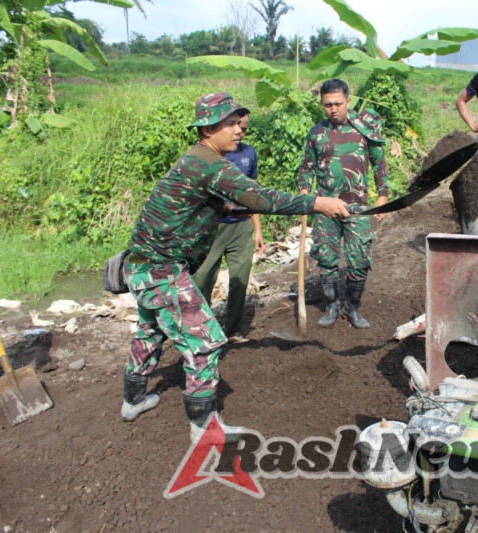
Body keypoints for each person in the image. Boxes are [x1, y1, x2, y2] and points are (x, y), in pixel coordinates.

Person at [120, 92, 349, 443]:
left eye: (238, 121)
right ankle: (204, 428)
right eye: (230, 123)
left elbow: (201, 205)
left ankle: (133, 399)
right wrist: (318, 202)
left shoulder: (197, 159)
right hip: (160, 270)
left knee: (151, 329)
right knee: (206, 342)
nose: (239, 129)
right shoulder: (210, 164)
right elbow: (261, 198)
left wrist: (226, 211)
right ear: (208, 129)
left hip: (143, 264)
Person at [297, 79, 389, 329]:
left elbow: (379, 162)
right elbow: (306, 167)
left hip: (357, 208)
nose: (333, 109)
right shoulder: (316, 133)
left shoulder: (364, 130)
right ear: (322, 104)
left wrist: (383, 195)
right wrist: (305, 192)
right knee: (326, 259)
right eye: (328, 105)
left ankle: (352, 307)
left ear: (349, 101)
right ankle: (332, 305)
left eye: (338, 103)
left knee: (359, 259)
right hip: (325, 208)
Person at [192, 113, 263, 345]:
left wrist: (257, 229)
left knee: (240, 279)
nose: (239, 132)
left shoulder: (249, 153)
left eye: (243, 127)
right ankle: (201, 331)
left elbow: (254, 194)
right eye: (233, 126)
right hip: (213, 228)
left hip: (241, 228)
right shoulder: (205, 156)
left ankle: (233, 331)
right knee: (203, 279)